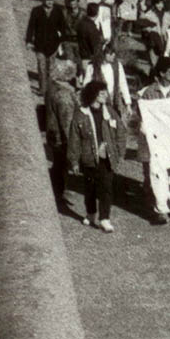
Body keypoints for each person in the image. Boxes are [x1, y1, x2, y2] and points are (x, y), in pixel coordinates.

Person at [134, 57, 170, 225]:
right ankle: (158, 209)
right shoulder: (149, 93)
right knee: (153, 173)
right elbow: (140, 116)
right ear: (162, 74)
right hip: (154, 141)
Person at [67, 80, 123, 233]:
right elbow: (75, 138)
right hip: (89, 158)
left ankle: (104, 218)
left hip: (107, 157)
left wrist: (119, 152)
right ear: (93, 95)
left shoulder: (110, 112)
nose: (106, 95)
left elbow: (120, 133)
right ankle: (91, 213)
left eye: (106, 92)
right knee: (90, 188)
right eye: (102, 93)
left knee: (106, 188)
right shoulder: (81, 114)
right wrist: (74, 160)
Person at [45, 58, 80, 210]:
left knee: (58, 165)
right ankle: (57, 196)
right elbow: (67, 124)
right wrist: (74, 146)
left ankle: (59, 192)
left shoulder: (52, 88)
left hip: (53, 134)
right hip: (61, 138)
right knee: (60, 165)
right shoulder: (64, 96)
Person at [25, 0, 66, 100]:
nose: (50, 3)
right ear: (43, 0)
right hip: (40, 45)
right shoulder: (36, 11)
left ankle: (50, 89)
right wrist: (28, 41)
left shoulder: (58, 11)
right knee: (41, 67)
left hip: (53, 45)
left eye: (52, 0)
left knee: (50, 68)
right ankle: (43, 90)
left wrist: (62, 40)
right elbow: (31, 27)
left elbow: (63, 27)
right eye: (48, 0)